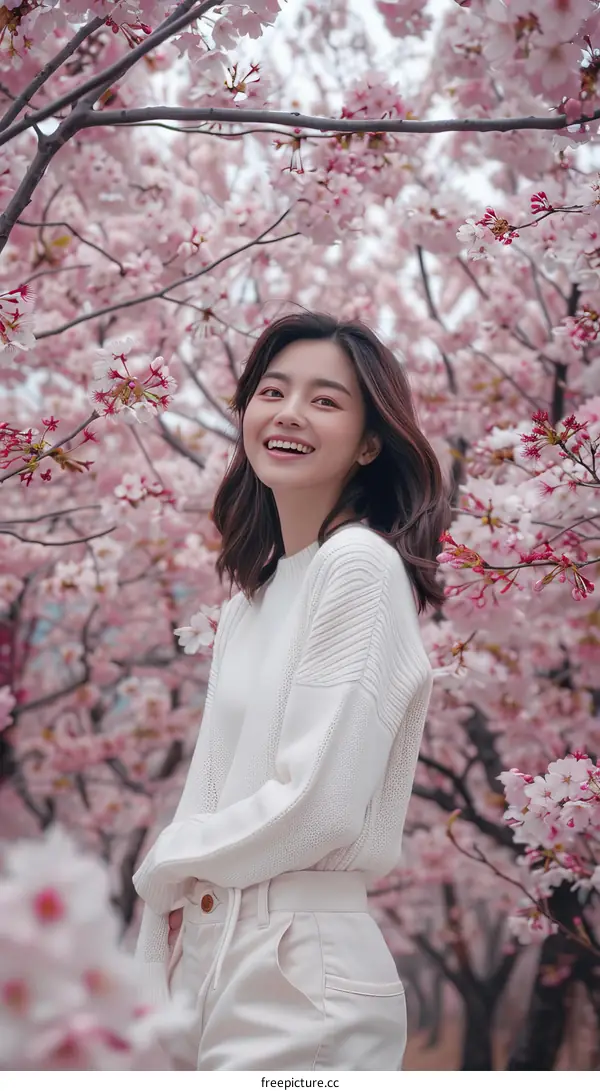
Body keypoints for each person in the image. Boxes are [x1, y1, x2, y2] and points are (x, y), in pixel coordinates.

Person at [132, 311, 450, 1071]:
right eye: (272, 391)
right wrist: (153, 984)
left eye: (326, 400)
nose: (289, 413)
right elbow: (205, 798)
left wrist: (169, 861)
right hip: (214, 960)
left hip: (301, 969)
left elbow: (320, 804)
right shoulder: (252, 601)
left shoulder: (360, 566)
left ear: (371, 442)